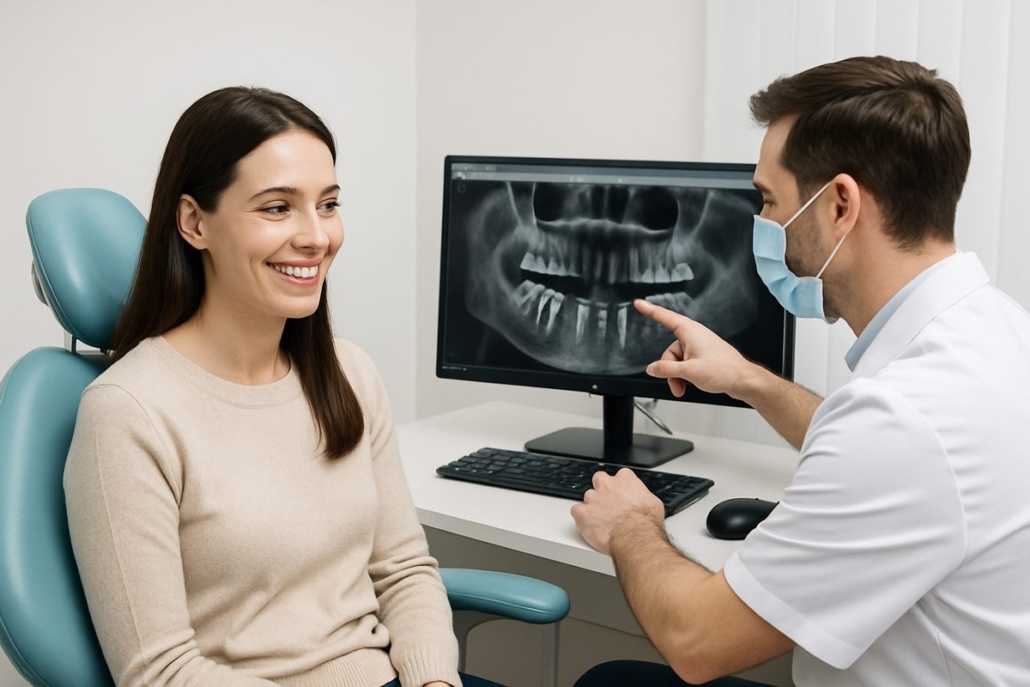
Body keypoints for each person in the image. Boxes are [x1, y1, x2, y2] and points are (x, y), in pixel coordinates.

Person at [570, 55, 1030, 686]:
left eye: (768, 200)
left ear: (840, 205)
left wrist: (631, 525)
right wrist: (747, 379)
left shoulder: (905, 422)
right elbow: (894, 451)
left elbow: (695, 641)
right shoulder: (996, 331)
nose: (762, 225)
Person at [64, 87, 498, 687]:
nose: (317, 237)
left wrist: (434, 680)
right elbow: (160, 672)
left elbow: (404, 571)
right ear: (194, 222)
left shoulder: (348, 373)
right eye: (277, 208)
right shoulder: (128, 413)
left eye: (328, 204)